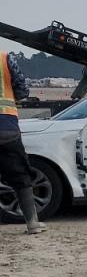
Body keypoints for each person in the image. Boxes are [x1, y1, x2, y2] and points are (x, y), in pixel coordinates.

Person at [0, 52, 45, 234]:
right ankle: (32, 223)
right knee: (20, 174)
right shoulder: (4, 58)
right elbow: (21, 91)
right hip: (5, 126)